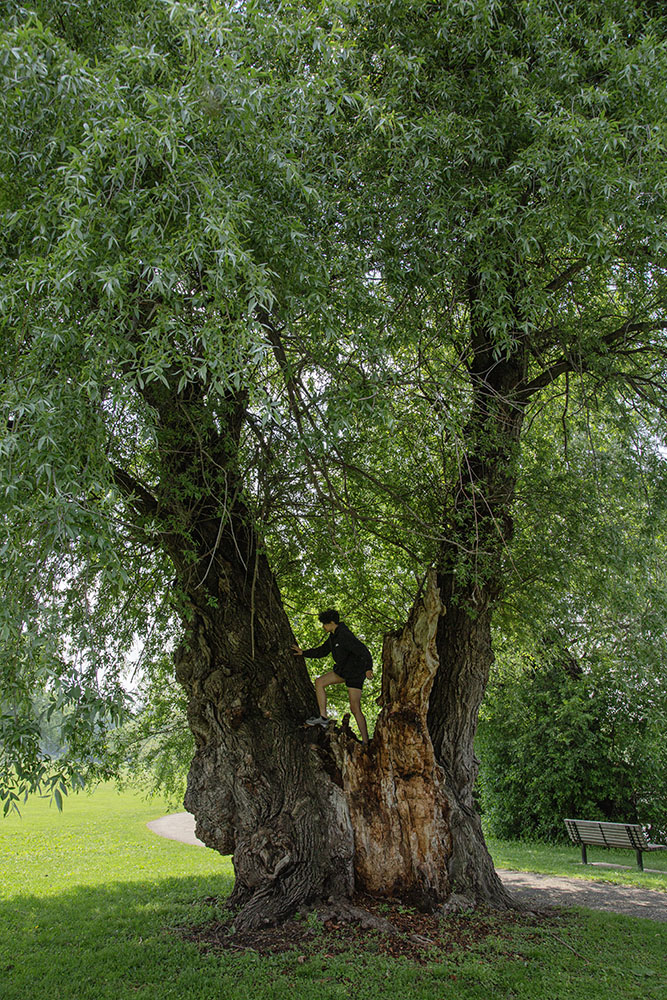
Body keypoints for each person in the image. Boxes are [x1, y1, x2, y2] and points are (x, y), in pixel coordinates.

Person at [293, 609, 374, 745]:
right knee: (319, 682)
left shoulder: (344, 634)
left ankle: (366, 742)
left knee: (355, 708)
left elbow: (363, 650)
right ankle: (323, 718)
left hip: (355, 673)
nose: (323, 627)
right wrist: (303, 653)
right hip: (342, 671)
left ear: (331, 623)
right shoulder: (333, 637)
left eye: (324, 624)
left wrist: (368, 668)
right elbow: (322, 651)